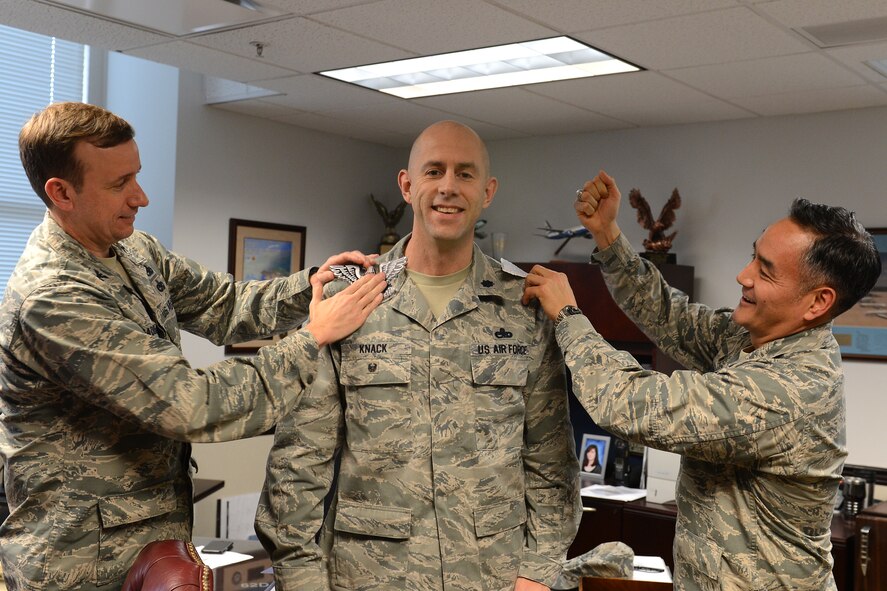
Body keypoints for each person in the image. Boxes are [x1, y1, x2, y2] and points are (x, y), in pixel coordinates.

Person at [0, 102, 386, 591]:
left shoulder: (134, 251)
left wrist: (313, 285)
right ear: (61, 192)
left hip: (156, 540)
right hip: (79, 563)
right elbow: (193, 405)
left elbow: (226, 305)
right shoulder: (53, 296)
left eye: (136, 175)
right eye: (119, 184)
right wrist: (312, 338)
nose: (140, 197)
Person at [256, 121, 581, 591]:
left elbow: (550, 462)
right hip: (370, 575)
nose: (448, 187)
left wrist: (537, 573)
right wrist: (302, 577)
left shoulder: (525, 306)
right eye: (434, 171)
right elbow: (300, 461)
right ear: (407, 186)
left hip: (493, 575)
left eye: (465, 174)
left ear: (487, 192)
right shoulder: (353, 299)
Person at [522, 170, 881, 590]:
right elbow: (668, 315)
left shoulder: (790, 389)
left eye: (765, 272)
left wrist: (568, 317)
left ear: (818, 302)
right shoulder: (751, 339)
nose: (743, 275)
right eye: (753, 256)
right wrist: (607, 235)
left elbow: (628, 403)